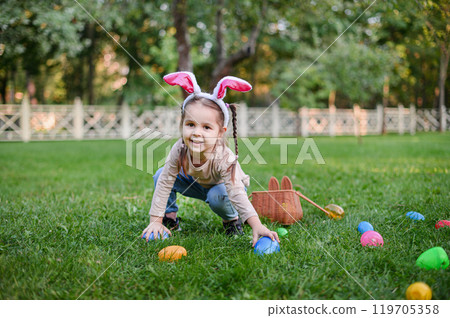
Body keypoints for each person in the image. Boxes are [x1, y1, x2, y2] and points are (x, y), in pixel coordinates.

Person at [142, 72, 279, 247]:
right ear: (182, 124)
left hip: (222, 188)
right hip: (195, 183)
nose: (197, 132)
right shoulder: (180, 148)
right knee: (160, 174)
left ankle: (231, 220)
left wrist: (257, 225)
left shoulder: (224, 156)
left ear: (220, 132)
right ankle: (168, 219)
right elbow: (166, 180)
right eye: (190, 125)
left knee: (217, 196)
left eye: (206, 127)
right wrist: (155, 220)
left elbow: (236, 191)